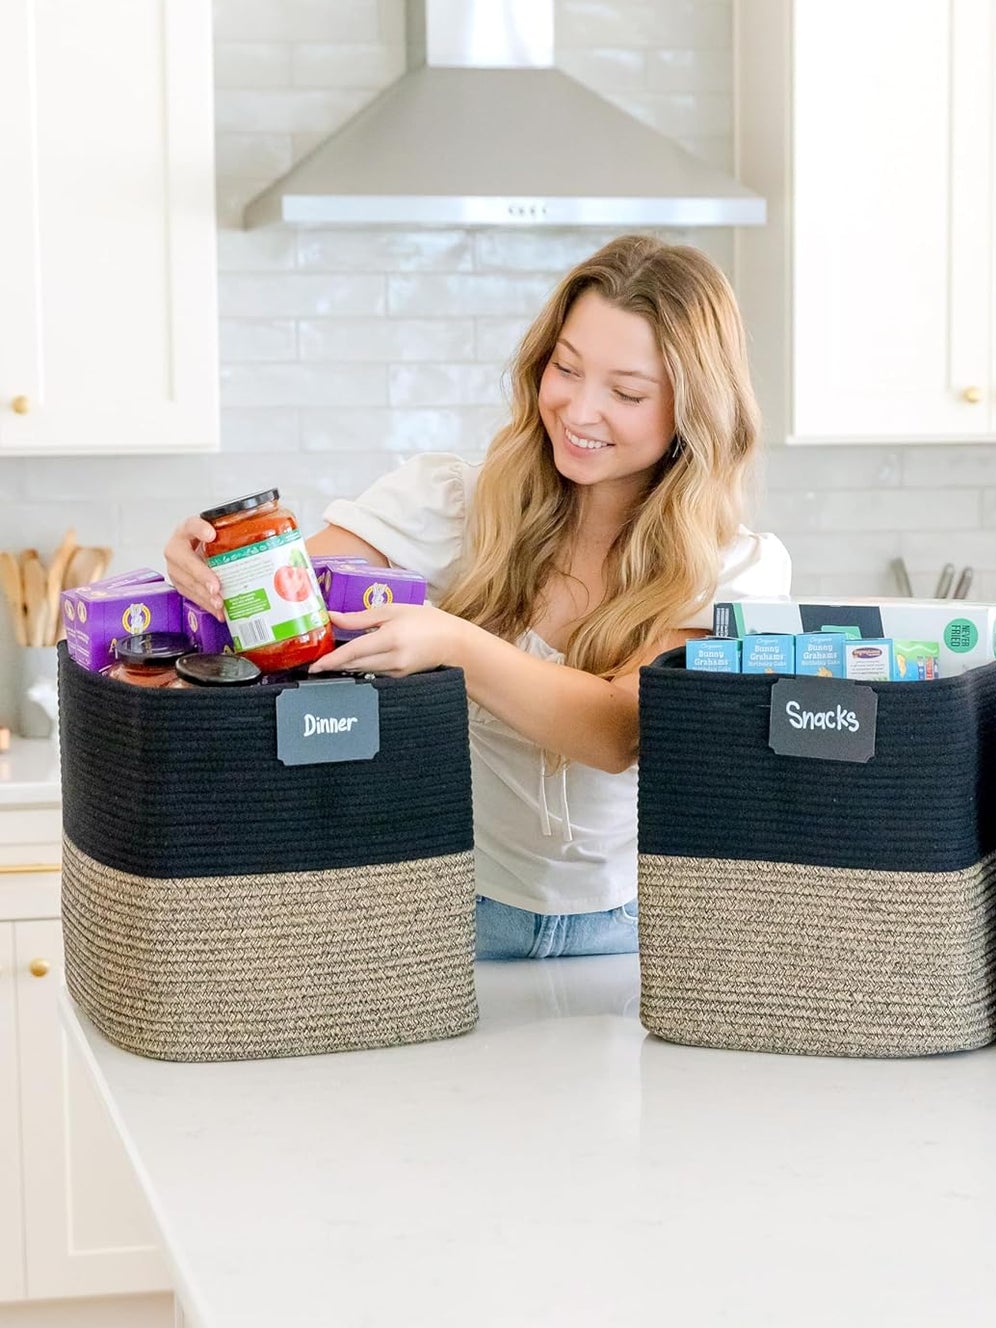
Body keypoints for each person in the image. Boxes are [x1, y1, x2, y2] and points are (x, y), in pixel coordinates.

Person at [165, 235, 790, 960]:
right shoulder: (450, 501)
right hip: (444, 917)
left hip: (640, 936)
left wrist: (453, 641)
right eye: (565, 367)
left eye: (625, 392)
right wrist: (210, 566)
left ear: (694, 409)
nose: (579, 410)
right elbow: (278, 598)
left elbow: (619, 730)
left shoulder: (735, 568)